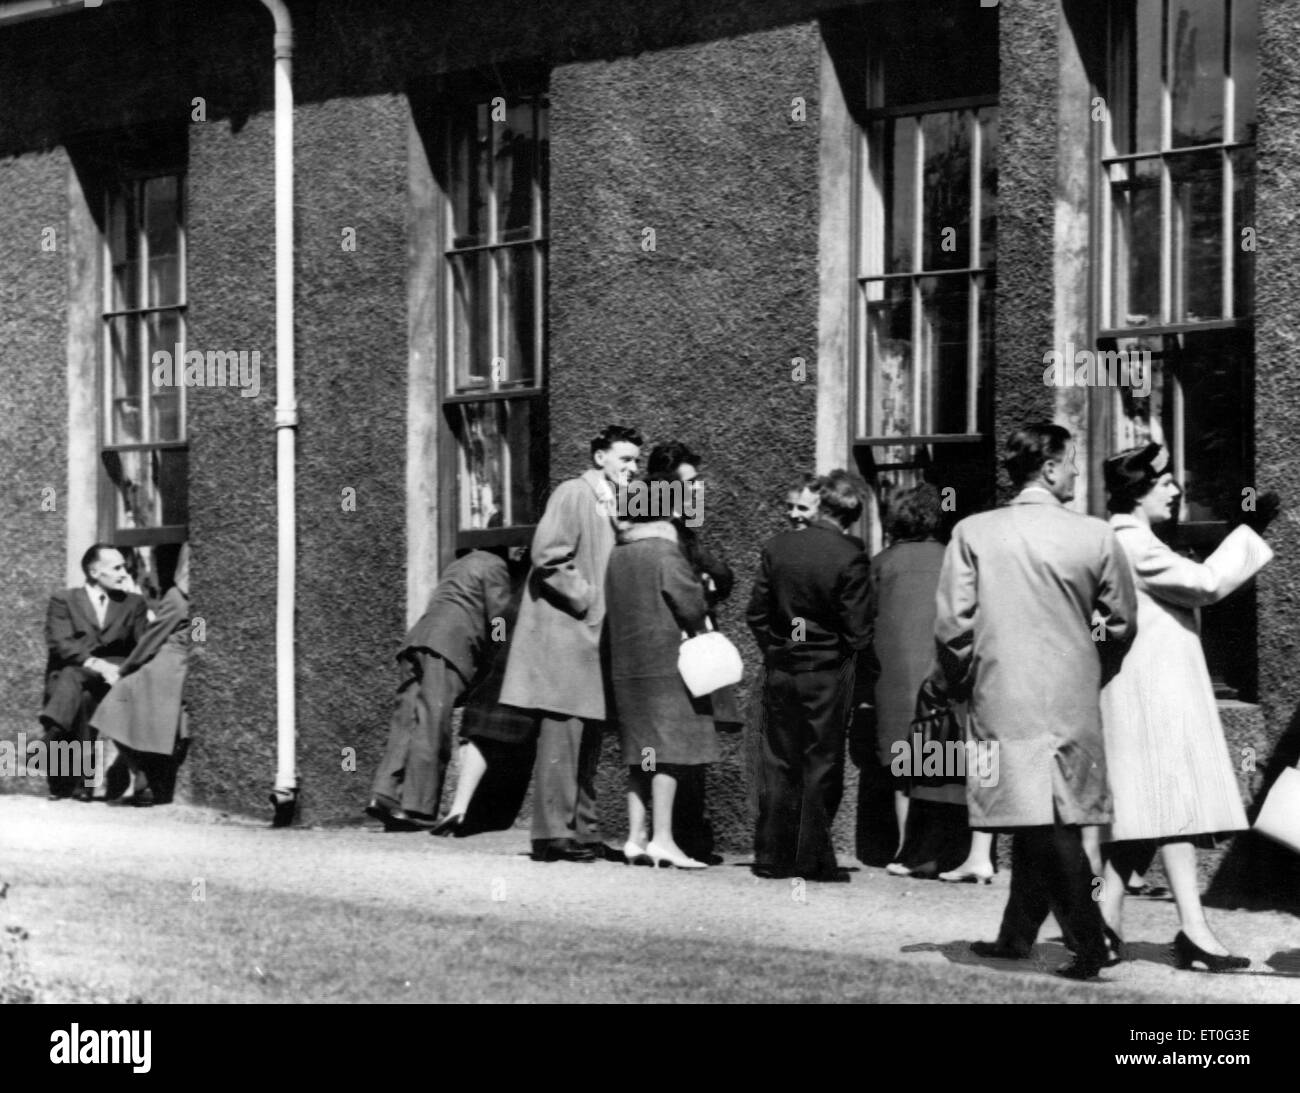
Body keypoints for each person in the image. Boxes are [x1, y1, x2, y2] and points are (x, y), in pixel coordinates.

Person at [931, 424, 1137, 979]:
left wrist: (960, 684)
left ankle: (1088, 943)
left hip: (1002, 693)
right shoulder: (1096, 535)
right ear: (1048, 467)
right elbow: (1119, 624)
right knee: (1051, 815)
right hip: (1072, 697)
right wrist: (1090, 667)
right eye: (1070, 462)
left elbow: (954, 627)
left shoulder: (973, 531)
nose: (1075, 472)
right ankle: (1019, 935)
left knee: (1039, 817)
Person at [1098, 443, 1279, 972]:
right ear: (1138, 490)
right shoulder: (1132, 543)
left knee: (1148, 814)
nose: (1176, 490)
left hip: (1147, 692)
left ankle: (1105, 925)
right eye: (1164, 482)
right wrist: (1247, 532)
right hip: (1153, 695)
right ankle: (1193, 931)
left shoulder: (1129, 540)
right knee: (1172, 808)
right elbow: (1204, 585)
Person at [500, 424, 643, 863]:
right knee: (563, 737)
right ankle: (551, 836)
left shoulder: (610, 499)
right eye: (625, 460)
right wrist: (590, 600)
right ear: (600, 458)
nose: (633, 469)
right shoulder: (573, 493)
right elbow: (548, 555)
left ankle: (582, 830)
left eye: (636, 461)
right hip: (566, 635)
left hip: (589, 639)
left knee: (586, 737)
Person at [747, 469, 873, 881]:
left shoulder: (778, 547)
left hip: (784, 668)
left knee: (779, 760)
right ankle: (811, 856)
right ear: (854, 512)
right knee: (820, 764)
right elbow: (857, 631)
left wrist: (778, 648)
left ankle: (771, 855)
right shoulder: (850, 554)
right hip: (825, 672)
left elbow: (758, 613)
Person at [605, 471, 720, 869]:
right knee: (667, 754)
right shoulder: (665, 552)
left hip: (627, 667)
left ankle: (635, 837)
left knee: (642, 755)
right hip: (665, 666)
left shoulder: (619, 553)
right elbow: (691, 608)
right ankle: (664, 838)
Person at [365, 547, 513, 831]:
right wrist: (499, 652)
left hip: (417, 640)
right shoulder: (495, 565)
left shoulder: (458, 565)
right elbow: (498, 618)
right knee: (433, 721)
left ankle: (384, 794)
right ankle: (415, 807)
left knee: (406, 720)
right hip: (449, 646)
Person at [646, 441, 740, 865]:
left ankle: (679, 831)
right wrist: (708, 582)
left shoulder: (683, 530)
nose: (695, 493)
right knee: (677, 738)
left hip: (685, 643)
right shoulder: (665, 534)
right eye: (688, 484)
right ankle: (675, 833)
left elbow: (721, 573)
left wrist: (712, 578)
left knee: (689, 736)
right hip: (673, 644)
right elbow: (705, 578)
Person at [431, 547, 537, 836]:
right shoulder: (531, 589)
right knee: (497, 731)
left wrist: (494, 649)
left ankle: (459, 807)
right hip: (519, 669)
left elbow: (500, 626)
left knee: (476, 730)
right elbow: (500, 623)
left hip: (497, 668)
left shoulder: (515, 588)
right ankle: (466, 809)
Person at [40, 544, 149, 800]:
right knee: (80, 688)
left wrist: (117, 668)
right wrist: (97, 664)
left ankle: (53, 731)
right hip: (82, 672)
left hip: (115, 677)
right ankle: (82, 784)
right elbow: (60, 643)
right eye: (117, 567)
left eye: (125, 567)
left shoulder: (133, 603)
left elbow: (142, 645)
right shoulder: (64, 599)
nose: (124, 573)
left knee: (75, 680)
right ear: (94, 572)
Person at [91, 544, 193, 807]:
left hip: (166, 663)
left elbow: (153, 637)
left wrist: (125, 669)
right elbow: (197, 634)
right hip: (183, 662)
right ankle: (144, 779)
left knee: (113, 703)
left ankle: (141, 773)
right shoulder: (196, 599)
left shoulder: (175, 597)